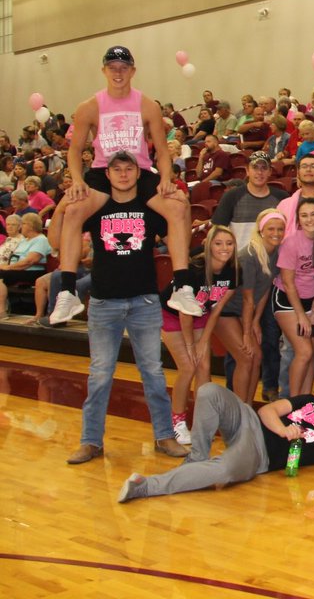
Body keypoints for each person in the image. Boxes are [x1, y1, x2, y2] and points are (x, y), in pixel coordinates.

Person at [51, 46, 196, 326]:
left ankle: (182, 285)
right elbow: (74, 150)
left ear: (133, 71)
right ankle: (68, 292)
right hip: (103, 171)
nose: (118, 73)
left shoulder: (147, 105)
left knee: (178, 206)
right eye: (113, 67)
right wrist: (78, 180)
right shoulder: (89, 107)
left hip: (139, 170)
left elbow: (163, 151)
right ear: (104, 70)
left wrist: (166, 178)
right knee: (72, 210)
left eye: (123, 67)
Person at [63, 151, 188, 464]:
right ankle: (91, 441)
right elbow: (57, 238)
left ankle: (164, 436)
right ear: (107, 174)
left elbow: (179, 225)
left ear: (137, 172)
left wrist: (178, 196)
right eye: (116, 168)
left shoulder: (151, 207)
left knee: (153, 374)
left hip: (144, 301)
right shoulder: (95, 206)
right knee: (100, 375)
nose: (122, 174)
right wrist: (65, 202)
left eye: (128, 168)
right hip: (104, 302)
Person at [116, 379, 314, 502]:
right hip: (248, 421)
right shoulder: (310, 401)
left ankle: (146, 487)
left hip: (259, 455)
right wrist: (284, 430)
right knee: (209, 391)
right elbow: (267, 410)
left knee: (225, 471)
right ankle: (197, 459)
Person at [160, 224, 239, 445]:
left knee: (204, 366)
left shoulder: (233, 270)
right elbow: (185, 313)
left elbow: (216, 310)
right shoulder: (195, 269)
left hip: (201, 316)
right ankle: (177, 423)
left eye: (229, 243)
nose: (225, 248)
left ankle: (203, 422)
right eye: (219, 243)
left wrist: (203, 341)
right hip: (173, 315)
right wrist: (190, 346)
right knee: (188, 366)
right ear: (209, 245)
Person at [273, 197, 314, 397]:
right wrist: (302, 315)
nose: (309, 219)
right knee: (303, 352)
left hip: (313, 300)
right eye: (304, 215)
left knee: (310, 354)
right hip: (288, 301)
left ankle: (306, 402)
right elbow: (288, 282)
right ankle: (293, 403)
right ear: (298, 219)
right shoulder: (291, 242)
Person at [234, 209, 286, 402]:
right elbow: (247, 299)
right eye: (271, 229)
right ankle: (238, 403)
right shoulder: (248, 256)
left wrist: (256, 321)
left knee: (254, 356)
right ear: (261, 230)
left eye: (280, 229)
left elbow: (264, 291)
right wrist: (248, 331)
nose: (276, 233)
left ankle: (246, 404)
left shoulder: (275, 253)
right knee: (245, 356)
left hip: (249, 310)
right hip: (232, 311)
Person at [212, 151, 289, 247]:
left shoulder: (282, 198)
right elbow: (217, 230)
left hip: (273, 260)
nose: (259, 172)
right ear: (247, 170)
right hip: (240, 259)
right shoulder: (232, 196)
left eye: (264, 168)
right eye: (255, 167)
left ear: (270, 171)